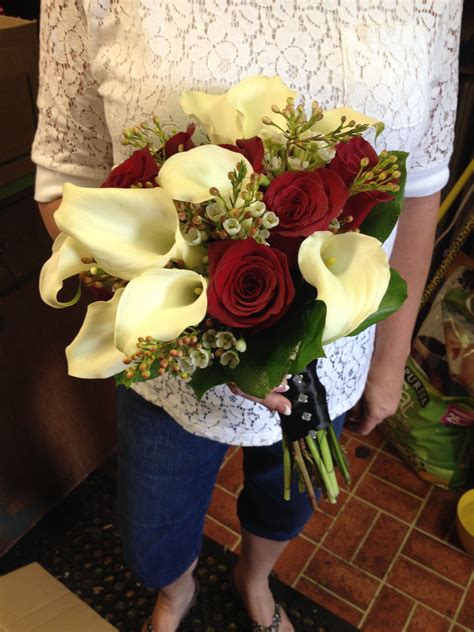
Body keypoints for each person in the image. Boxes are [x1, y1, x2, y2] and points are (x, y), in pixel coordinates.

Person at [32, 2, 462, 631]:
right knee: (150, 537)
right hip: (172, 361)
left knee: (288, 503)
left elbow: (418, 186)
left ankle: (254, 578)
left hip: (328, 354)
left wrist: (389, 364)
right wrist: (217, 338)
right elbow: (65, 178)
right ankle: (175, 591)